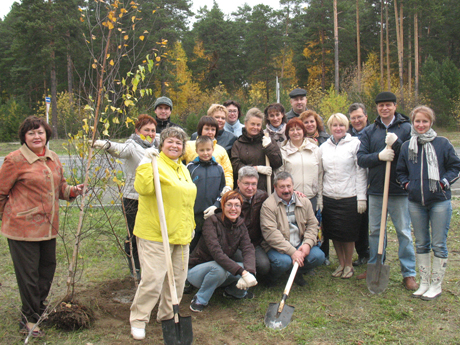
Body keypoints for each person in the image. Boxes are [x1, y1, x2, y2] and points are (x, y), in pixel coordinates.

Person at [0, 116, 84, 337]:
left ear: (47, 134)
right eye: (31, 133)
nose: (36, 137)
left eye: (40, 132)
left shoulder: (52, 158)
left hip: (48, 228)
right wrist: (6, 218)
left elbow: (60, 187)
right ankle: (28, 321)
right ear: (24, 137)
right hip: (22, 229)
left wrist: (72, 191)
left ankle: (37, 309)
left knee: (46, 272)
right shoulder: (14, 160)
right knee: (28, 276)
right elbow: (0, 193)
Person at [129, 126, 196, 340]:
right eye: (170, 141)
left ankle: (167, 315)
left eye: (179, 142)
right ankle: (139, 319)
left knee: (177, 279)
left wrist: (191, 226)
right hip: (156, 233)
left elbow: (186, 201)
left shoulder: (183, 168)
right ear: (162, 144)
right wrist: (144, 163)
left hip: (181, 233)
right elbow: (143, 188)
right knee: (153, 279)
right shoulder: (154, 164)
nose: (175, 145)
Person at [396, 106, 460, 299]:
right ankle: (423, 282)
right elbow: (400, 171)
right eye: (417, 121)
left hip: (439, 201)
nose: (421, 125)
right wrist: (408, 185)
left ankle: (436, 284)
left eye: (425, 121)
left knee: (438, 244)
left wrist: (443, 183)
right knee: (421, 243)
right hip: (416, 202)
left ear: (431, 122)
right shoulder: (408, 146)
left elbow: (455, 166)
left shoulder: (442, 143)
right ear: (413, 123)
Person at [357, 91, 418, 290]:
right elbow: (361, 158)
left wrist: (398, 144)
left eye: (388, 105)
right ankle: (375, 265)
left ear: (394, 106)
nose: (384, 108)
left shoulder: (406, 128)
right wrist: (379, 156)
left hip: (399, 190)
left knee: (403, 232)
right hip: (376, 190)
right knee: (375, 231)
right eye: (381, 105)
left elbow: (412, 155)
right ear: (376, 108)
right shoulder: (369, 131)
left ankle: (408, 273)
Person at [92, 114, 158, 279]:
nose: (150, 133)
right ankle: (135, 267)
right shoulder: (132, 145)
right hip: (133, 198)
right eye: (146, 130)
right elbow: (119, 150)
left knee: (150, 234)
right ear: (137, 131)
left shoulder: (158, 144)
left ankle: (149, 265)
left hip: (152, 197)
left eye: (152, 130)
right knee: (135, 234)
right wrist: (105, 144)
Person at [187, 191, 257, 312]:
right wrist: (243, 273)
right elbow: (217, 254)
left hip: (222, 269)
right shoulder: (211, 222)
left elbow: (248, 248)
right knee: (219, 268)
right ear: (222, 206)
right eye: (229, 205)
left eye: (237, 205)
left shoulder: (240, 224)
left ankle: (234, 293)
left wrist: (249, 271)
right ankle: (200, 299)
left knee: (249, 266)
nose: (233, 209)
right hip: (197, 271)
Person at [320, 113, 367, 279]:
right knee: (335, 233)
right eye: (334, 125)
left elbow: (361, 172)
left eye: (341, 125)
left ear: (346, 127)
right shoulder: (324, 147)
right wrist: (320, 199)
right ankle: (340, 263)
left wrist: (361, 197)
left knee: (348, 234)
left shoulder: (355, 144)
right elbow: (321, 174)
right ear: (330, 128)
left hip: (349, 196)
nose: (338, 128)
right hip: (329, 196)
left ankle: (348, 265)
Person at [260, 172, 325, 286]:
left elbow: (312, 224)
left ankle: (296, 273)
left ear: (293, 186)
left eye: (289, 186)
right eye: (282, 187)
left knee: (319, 257)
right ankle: (271, 278)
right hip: (278, 248)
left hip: (299, 244)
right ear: (275, 187)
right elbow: (271, 234)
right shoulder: (268, 206)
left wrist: (307, 244)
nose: (286, 190)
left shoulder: (304, 201)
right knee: (283, 262)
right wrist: (292, 252)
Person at [187, 136, 226, 252]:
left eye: (208, 149)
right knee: (192, 245)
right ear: (196, 151)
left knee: (210, 244)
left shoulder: (219, 168)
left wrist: (216, 205)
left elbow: (222, 190)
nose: (205, 153)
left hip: (212, 214)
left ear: (213, 149)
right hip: (194, 216)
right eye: (202, 150)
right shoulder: (190, 167)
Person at [231, 108, 282, 192]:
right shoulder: (238, 144)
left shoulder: (268, 140)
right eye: (252, 124)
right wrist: (255, 169)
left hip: (266, 188)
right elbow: (236, 167)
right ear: (246, 123)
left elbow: (278, 162)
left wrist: (269, 147)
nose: (255, 127)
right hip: (245, 190)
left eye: (258, 125)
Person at [277, 118, 323, 212]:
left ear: (303, 131)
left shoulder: (315, 150)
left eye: (298, 129)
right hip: (290, 198)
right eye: (292, 130)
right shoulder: (283, 152)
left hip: (311, 198)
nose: (295, 132)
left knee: (311, 226)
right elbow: (279, 176)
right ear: (287, 133)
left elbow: (320, 175)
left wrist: (320, 199)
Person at [235, 166, 270, 277]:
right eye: (246, 183)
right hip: (236, 245)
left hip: (254, 243)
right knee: (247, 264)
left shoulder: (262, 196)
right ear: (238, 183)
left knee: (264, 266)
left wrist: (296, 194)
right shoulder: (232, 200)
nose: (250, 188)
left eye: (253, 184)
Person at [183, 116, 233, 190]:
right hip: (192, 188)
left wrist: (228, 186)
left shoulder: (221, 150)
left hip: (214, 190)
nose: (210, 132)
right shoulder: (188, 146)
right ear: (201, 130)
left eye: (213, 129)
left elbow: (227, 172)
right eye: (207, 129)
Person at [347, 103, 370, 267]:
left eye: (359, 117)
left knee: (372, 223)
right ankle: (362, 253)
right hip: (353, 185)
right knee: (358, 222)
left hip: (372, 183)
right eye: (353, 118)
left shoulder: (372, 133)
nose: (356, 120)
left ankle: (375, 255)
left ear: (366, 117)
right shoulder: (347, 136)